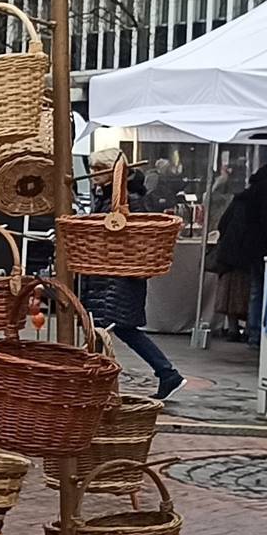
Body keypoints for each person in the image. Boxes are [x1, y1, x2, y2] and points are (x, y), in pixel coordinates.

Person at [80, 153, 183, 401]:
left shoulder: (128, 201)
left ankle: (164, 373)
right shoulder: (108, 196)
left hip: (119, 277)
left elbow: (129, 239)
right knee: (114, 328)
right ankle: (164, 373)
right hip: (108, 275)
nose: (94, 173)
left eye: (99, 168)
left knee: (115, 327)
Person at [210, 151, 267, 342]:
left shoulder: (255, 187)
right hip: (260, 248)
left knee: (255, 290)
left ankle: (252, 331)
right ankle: (257, 332)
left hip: (244, 248)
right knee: (261, 290)